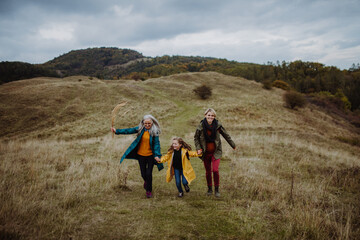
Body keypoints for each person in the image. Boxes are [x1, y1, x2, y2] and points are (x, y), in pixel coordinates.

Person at [111, 114, 163, 198]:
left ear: (152, 123)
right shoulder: (140, 129)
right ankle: (147, 182)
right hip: (141, 155)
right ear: (143, 123)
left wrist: (157, 155)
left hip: (150, 156)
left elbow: (157, 144)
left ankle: (149, 191)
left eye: (149, 124)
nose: (147, 125)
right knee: (143, 174)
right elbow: (128, 131)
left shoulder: (154, 132)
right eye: (145, 123)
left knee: (149, 173)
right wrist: (116, 131)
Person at [194, 108, 236, 197]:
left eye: (212, 115)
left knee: (215, 170)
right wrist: (198, 148)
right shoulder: (200, 126)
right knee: (208, 171)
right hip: (205, 153)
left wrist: (233, 145)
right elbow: (196, 138)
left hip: (216, 152)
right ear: (205, 115)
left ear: (214, 116)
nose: (210, 117)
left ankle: (217, 190)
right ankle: (209, 189)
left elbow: (226, 135)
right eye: (209, 115)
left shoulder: (218, 126)